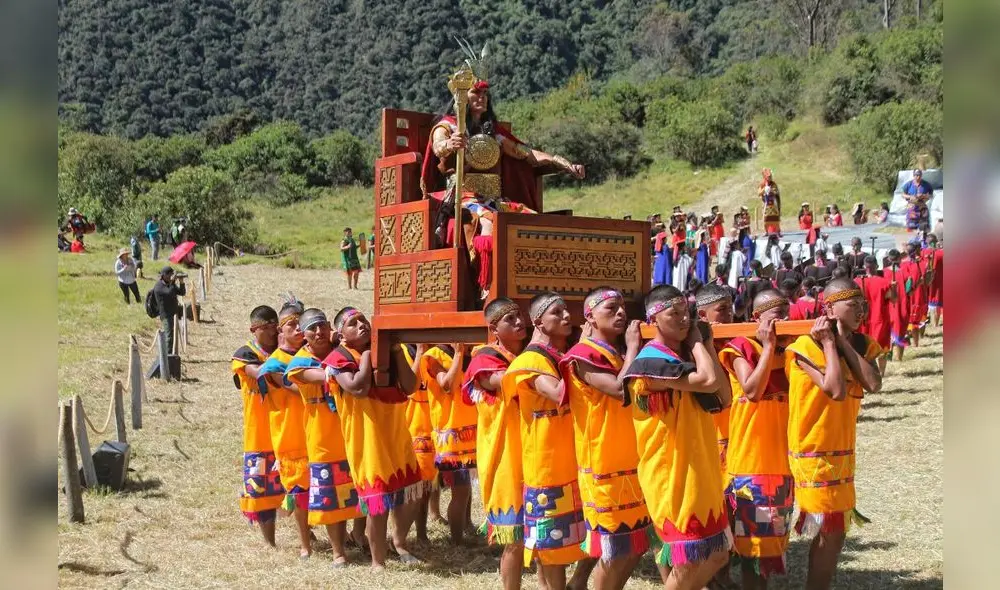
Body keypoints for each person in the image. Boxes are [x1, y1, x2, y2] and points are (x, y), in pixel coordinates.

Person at [422, 62, 585, 299]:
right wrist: (450, 144)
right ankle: (487, 288)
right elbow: (437, 147)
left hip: (494, 198)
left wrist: (564, 163)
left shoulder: (493, 133)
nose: (482, 97)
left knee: (531, 221)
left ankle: (534, 284)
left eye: (485, 93)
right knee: (488, 223)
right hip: (463, 197)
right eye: (476, 92)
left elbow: (527, 153)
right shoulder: (448, 125)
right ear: (462, 97)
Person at [622, 285, 730, 589]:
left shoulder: (681, 357)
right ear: (654, 319)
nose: (685, 319)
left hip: (700, 469)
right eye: (675, 313)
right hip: (672, 474)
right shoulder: (650, 361)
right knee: (691, 560)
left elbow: (724, 397)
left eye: (687, 312)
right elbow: (708, 381)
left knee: (716, 555)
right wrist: (697, 341)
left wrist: (706, 347)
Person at [785, 279, 882, 590]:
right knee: (832, 528)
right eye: (852, 305)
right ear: (828, 307)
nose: (861, 311)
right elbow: (837, 390)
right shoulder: (805, 345)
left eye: (862, 305)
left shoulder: (863, 343)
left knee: (835, 529)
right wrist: (829, 344)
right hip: (813, 449)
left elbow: (873, 383)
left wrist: (844, 342)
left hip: (843, 448)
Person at [560, 289, 656, 589]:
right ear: (589, 316)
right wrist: (632, 347)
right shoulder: (582, 354)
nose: (620, 314)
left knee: (636, 545)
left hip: (631, 457)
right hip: (604, 461)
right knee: (616, 549)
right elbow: (618, 389)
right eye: (611, 308)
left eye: (622, 308)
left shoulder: (612, 352)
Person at [501, 293, 594, 590]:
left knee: (590, 532)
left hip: (575, 457)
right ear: (538, 321)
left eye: (567, 310)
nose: (567, 316)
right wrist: (584, 349)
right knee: (552, 546)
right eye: (557, 312)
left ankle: (575, 583)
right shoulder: (529, 360)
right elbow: (557, 393)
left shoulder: (557, 355)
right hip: (547, 464)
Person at [325, 307, 427, 568]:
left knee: (413, 492)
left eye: (363, 320)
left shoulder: (390, 351)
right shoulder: (338, 357)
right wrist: (370, 353)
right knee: (377, 501)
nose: (361, 325)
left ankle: (399, 542)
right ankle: (377, 563)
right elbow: (358, 387)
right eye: (352, 323)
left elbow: (411, 385)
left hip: (395, 430)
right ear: (340, 335)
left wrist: (393, 351)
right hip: (365, 437)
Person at [718, 290, 795, 588]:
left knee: (770, 546)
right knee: (751, 549)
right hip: (751, 464)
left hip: (783, 463)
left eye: (787, 315)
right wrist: (768, 347)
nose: (784, 322)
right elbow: (752, 390)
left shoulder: (792, 349)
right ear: (756, 319)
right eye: (777, 317)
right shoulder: (740, 347)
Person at [284, 309, 365, 566]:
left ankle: (360, 537)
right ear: (305, 335)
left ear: (330, 327)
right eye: (312, 329)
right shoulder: (300, 362)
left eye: (322, 326)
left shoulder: (341, 351)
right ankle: (338, 552)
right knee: (331, 498)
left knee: (361, 489)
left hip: (352, 431)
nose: (318, 332)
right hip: (322, 439)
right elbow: (317, 375)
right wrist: (338, 371)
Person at [461, 298, 532, 590]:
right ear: (494, 329)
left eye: (520, 316)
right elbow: (503, 380)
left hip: (533, 449)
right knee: (514, 539)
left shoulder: (526, 354)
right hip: (505, 456)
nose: (519, 322)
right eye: (510, 319)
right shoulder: (484, 358)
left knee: (541, 535)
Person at [255, 302, 313, 558]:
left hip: (317, 430)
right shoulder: (273, 365)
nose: (298, 329)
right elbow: (298, 388)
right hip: (290, 433)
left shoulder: (312, 354)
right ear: (281, 330)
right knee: (299, 491)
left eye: (301, 324)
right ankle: (305, 545)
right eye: (292, 324)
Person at [231, 306, 284, 547]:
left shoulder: (289, 351)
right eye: (269, 327)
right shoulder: (244, 354)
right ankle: (269, 542)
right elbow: (262, 372)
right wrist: (285, 351)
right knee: (262, 489)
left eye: (277, 326)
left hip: (287, 428)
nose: (274, 332)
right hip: (260, 434)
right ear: (255, 329)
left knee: (297, 484)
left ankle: (308, 531)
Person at [419, 343, 479, 544]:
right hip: (452, 435)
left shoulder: (476, 349)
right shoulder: (432, 355)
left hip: (473, 431)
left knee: (466, 488)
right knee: (460, 490)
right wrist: (460, 352)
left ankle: (467, 525)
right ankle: (457, 540)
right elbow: (447, 384)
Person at [401, 343, 442, 541]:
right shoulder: (399, 350)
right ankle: (400, 538)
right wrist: (419, 353)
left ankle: (422, 534)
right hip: (410, 427)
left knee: (427, 487)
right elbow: (410, 384)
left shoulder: (437, 352)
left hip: (434, 428)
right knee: (414, 489)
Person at [859, 256, 894, 375]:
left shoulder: (856, 282)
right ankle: (881, 374)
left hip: (862, 320)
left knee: (864, 349)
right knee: (881, 349)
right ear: (877, 266)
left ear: (864, 267)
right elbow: (893, 299)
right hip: (879, 319)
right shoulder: (885, 282)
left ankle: (867, 374)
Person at [152, 266, 186, 354]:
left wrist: (181, 282)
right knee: (169, 336)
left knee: (173, 335)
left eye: (172, 275)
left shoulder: (170, 284)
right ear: (163, 275)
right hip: (166, 315)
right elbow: (169, 293)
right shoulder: (159, 286)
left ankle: (172, 354)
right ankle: (167, 357)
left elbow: (182, 292)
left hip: (173, 313)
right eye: (170, 275)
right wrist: (173, 281)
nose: (171, 276)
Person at [927, 234, 944, 327]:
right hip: (938, 281)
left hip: (926, 282)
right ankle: (935, 324)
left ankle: (927, 323)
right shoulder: (941, 253)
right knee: (937, 302)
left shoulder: (922, 253)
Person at [759, 169, 781, 235]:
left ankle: (778, 231)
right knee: (766, 219)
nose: (770, 178)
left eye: (770, 176)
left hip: (773, 204)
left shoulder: (773, 184)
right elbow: (759, 193)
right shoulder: (762, 184)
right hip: (766, 204)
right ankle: (766, 232)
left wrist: (771, 190)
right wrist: (764, 189)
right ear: (765, 177)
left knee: (776, 219)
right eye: (769, 177)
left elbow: (776, 191)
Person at [652, 223, 673, 287]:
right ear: (663, 240)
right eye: (665, 238)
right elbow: (669, 259)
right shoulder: (665, 247)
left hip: (659, 274)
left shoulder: (657, 249)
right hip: (665, 269)